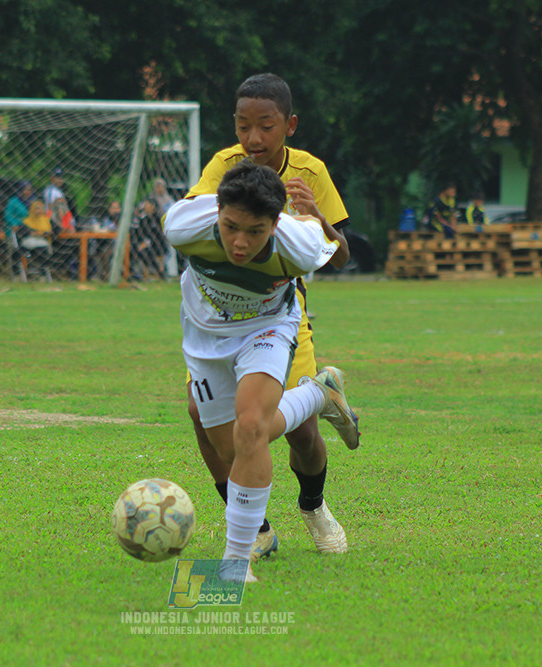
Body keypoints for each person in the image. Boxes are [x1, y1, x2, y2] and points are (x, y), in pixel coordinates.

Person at [183, 72, 353, 563]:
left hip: (279, 314)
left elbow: (340, 257)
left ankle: (315, 507)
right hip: (219, 315)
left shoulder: (310, 172)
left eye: (266, 126)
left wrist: (316, 218)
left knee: (298, 434)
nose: (252, 139)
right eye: (242, 126)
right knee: (202, 415)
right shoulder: (224, 166)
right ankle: (255, 529)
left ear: (289, 126)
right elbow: (197, 218)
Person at [163, 161, 360, 582]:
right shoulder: (182, 225)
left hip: (267, 327)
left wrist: (314, 216)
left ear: (276, 224)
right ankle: (318, 394)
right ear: (216, 211)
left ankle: (236, 565)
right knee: (233, 450)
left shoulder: (301, 244)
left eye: (255, 232)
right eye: (231, 226)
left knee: (250, 428)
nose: (239, 242)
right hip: (205, 341)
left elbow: (337, 250)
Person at [43, 167, 75, 232]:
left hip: (63, 222)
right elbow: (50, 209)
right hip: (55, 223)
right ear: (52, 178)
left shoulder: (58, 190)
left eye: (61, 178)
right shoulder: (50, 191)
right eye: (57, 177)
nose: (59, 180)